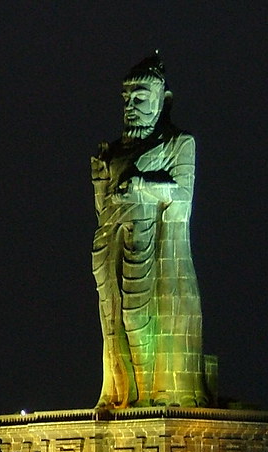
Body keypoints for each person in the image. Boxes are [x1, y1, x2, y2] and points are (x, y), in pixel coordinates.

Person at [91, 53, 209, 409]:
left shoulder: (177, 144)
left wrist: (142, 184)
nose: (131, 105)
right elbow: (102, 208)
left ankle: (150, 392)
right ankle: (120, 393)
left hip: (152, 247)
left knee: (138, 316)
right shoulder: (112, 150)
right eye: (126, 98)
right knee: (113, 319)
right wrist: (99, 177)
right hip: (112, 241)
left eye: (140, 97)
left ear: (163, 99)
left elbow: (182, 195)